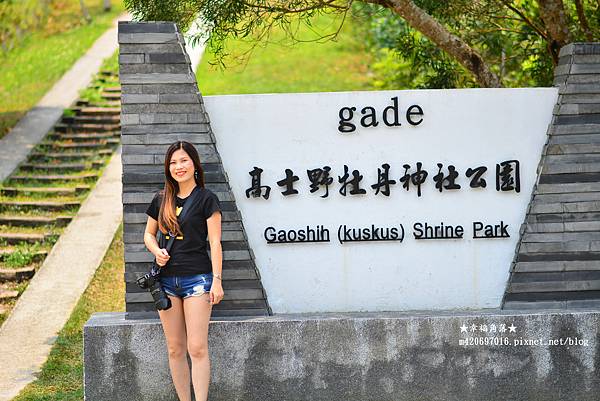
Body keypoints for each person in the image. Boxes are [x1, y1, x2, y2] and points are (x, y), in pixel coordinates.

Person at [143, 140, 224, 401]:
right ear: (168, 168)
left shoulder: (206, 199)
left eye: (184, 160)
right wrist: (157, 251)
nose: (179, 166)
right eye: (174, 162)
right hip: (165, 281)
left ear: (194, 164)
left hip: (198, 280)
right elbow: (148, 234)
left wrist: (217, 280)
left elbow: (215, 242)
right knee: (175, 348)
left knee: (197, 347)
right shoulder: (160, 199)